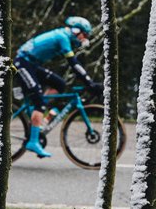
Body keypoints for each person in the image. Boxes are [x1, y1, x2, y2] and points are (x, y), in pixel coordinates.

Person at [14, 16, 99, 157]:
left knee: (60, 84)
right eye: (84, 35)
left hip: (32, 64)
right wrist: (89, 83)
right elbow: (73, 63)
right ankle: (33, 141)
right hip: (22, 63)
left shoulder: (63, 35)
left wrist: (88, 82)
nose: (83, 39)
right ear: (76, 30)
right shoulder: (62, 37)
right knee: (39, 102)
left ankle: (40, 118)